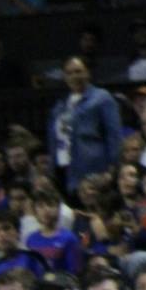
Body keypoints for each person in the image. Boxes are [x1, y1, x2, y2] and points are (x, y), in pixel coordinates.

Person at [49, 57, 125, 193]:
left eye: (78, 71)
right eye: (69, 73)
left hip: (95, 171)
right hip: (66, 173)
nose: (74, 76)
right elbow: (53, 139)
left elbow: (114, 136)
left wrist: (112, 170)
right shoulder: (60, 106)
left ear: (87, 73)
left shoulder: (102, 98)